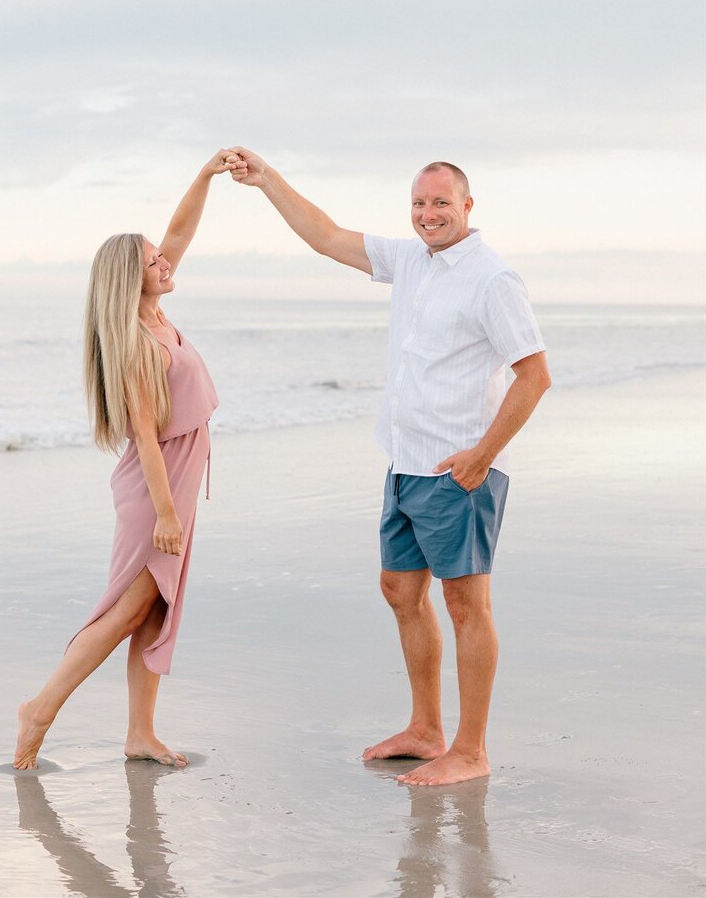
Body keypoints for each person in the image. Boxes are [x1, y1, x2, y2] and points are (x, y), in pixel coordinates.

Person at [228, 148, 550, 786]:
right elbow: (326, 236)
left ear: (467, 206)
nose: (429, 214)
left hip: (460, 469)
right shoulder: (410, 259)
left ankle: (471, 750)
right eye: (419, 203)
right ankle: (426, 729)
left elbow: (534, 376)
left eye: (441, 202)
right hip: (405, 461)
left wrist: (482, 456)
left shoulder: (492, 278)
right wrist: (266, 180)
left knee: (466, 605)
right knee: (401, 590)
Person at [13, 150, 246, 770]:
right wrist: (167, 515)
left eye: (161, 257)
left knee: (153, 608)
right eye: (152, 261)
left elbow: (180, 233)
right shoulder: (136, 342)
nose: (165, 262)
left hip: (174, 484)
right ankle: (40, 709)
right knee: (124, 611)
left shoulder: (157, 311)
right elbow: (145, 438)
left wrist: (206, 175)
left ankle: (140, 733)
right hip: (155, 490)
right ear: (130, 278)